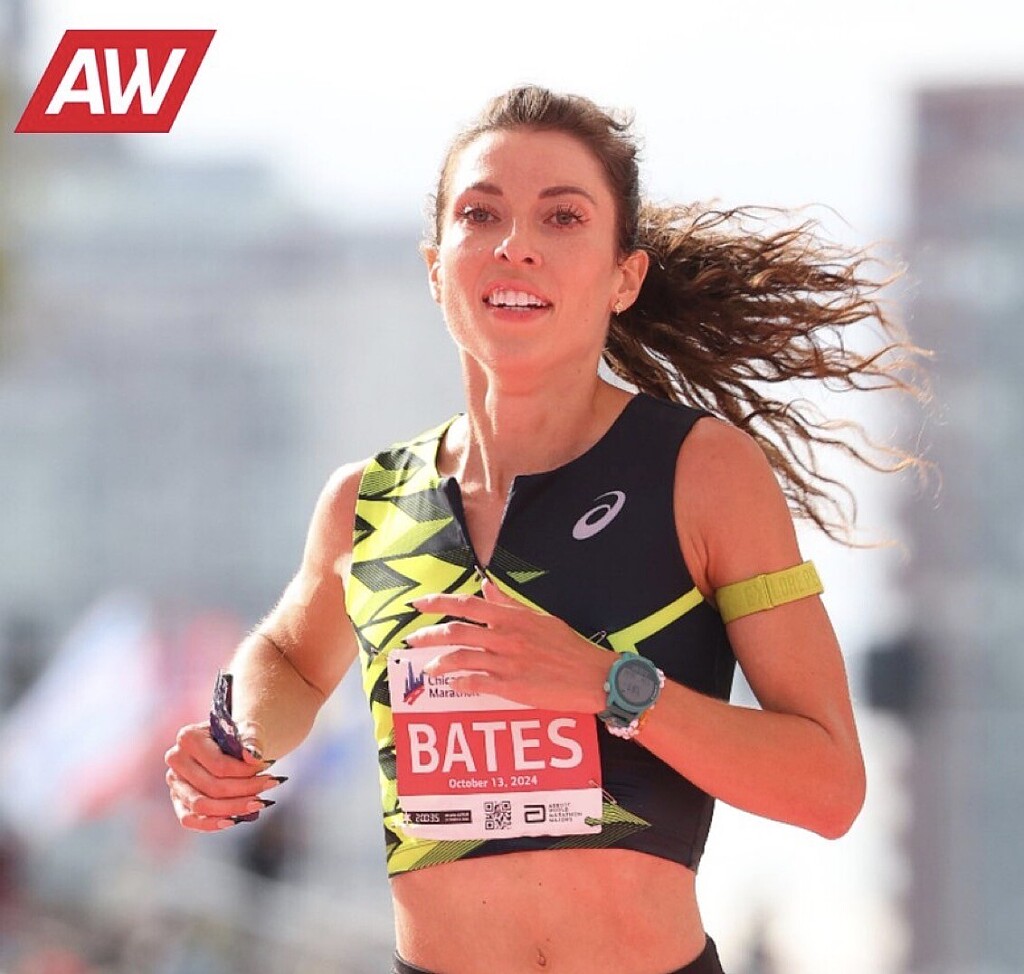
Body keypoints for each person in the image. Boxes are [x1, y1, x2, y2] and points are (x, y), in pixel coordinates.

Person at [164, 86, 926, 974]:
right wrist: (239, 739)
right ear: (435, 268)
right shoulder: (366, 503)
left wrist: (611, 686)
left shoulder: (702, 472)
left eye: (562, 217)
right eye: (480, 214)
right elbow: (292, 659)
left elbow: (829, 787)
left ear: (623, 277)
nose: (515, 244)